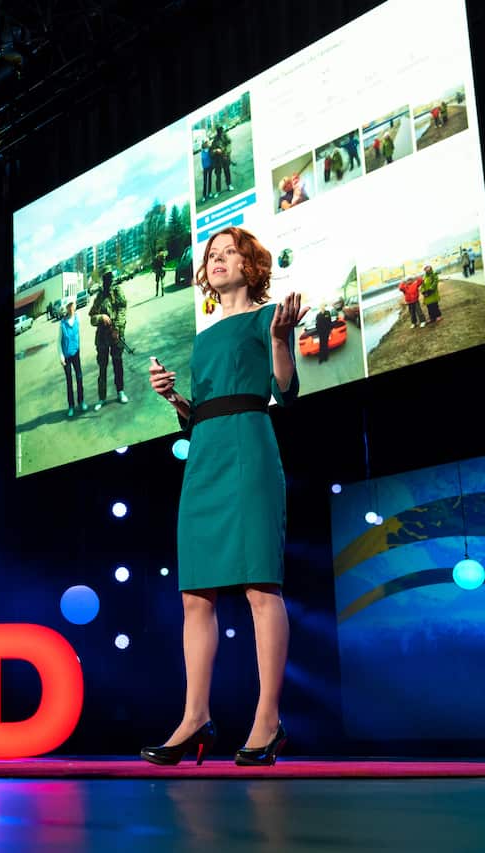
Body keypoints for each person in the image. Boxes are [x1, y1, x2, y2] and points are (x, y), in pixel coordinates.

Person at [142, 226, 305, 768]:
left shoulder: (267, 318)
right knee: (195, 596)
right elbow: (205, 408)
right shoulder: (204, 335)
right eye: (211, 255)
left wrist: (281, 340)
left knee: (261, 585)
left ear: (251, 264)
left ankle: (267, 719)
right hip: (205, 455)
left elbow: (287, 389)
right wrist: (176, 400)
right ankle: (194, 718)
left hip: (250, 451)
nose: (216, 260)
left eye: (228, 252)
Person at [90, 271, 129, 409]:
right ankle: (101, 398)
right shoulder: (100, 297)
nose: (109, 280)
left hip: (115, 335)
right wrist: (101, 317)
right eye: (106, 278)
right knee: (102, 368)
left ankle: (120, 391)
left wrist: (117, 329)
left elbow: (122, 311)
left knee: (118, 364)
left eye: (110, 277)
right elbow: (92, 318)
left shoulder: (117, 292)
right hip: (102, 338)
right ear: (104, 279)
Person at [59, 300, 86, 416]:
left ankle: (81, 401)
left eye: (72, 305)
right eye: (69, 306)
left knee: (79, 377)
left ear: (74, 306)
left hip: (76, 353)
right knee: (69, 381)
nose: (71, 308)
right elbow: (58, 342)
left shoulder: (78, 318)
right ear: (66, 307)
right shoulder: (62, 324)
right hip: (66, 356)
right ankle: (71, 406)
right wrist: (61, 356)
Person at [211, 125, 234, 194]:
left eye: (221, 129)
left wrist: (224, 151)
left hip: (224, 157)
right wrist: (215, 151)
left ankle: (229, 185)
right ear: (217, 130)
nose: (220, 131)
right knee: (218, 175)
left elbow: (229, 145)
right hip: (217, 159)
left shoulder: (225, 136)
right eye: (219, 130)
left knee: (227, 172)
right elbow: (212, 149)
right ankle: (218, 190)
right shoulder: (215, 139)